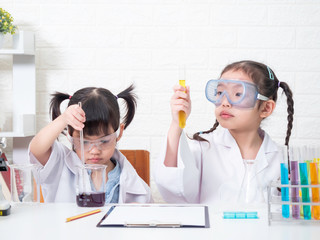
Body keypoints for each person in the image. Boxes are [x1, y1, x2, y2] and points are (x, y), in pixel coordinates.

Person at [153, 60, 294, 204]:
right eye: (220, 92)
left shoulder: (282, 160)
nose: (224, 102)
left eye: (238, 94)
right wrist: (176, 123)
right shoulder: (203, 148)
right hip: (214, 227)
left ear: (266, 108)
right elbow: (173, 187)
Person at [29, 85, 152, 203]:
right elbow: (37, 149)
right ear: (69, 135)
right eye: (84, 142)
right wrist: (63, 119)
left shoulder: (136, 186)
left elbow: (150, 218)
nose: (94, 151)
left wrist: (138, 214)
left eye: (103, 141)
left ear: (119, 133)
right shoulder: (59, 164)